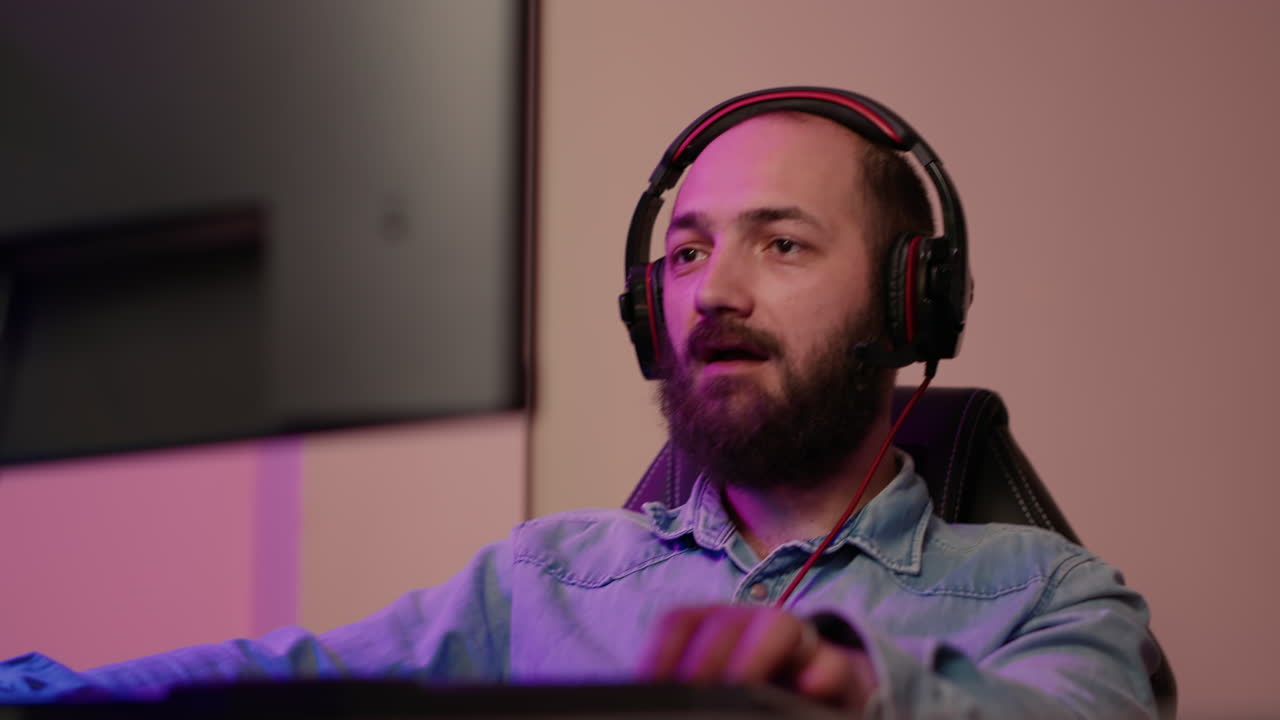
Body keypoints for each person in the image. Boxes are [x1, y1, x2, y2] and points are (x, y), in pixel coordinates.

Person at [1, 88, 1161, 717]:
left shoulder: (1044, 595)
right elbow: (275, 679)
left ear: (908, 303)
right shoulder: (539, 582)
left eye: (782, 243)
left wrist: (856, 688)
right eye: (687, 253)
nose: (714, 291)